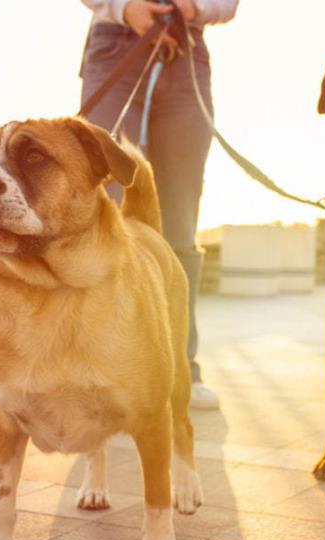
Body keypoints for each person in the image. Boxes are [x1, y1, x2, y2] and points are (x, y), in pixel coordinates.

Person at [79, 0, 238, 409]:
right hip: (115, 45)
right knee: (104, 213)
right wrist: (124, 7)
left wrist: (195, 6)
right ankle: (98, 369)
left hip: (187, 56)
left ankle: (182, 368)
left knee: (180, 221)